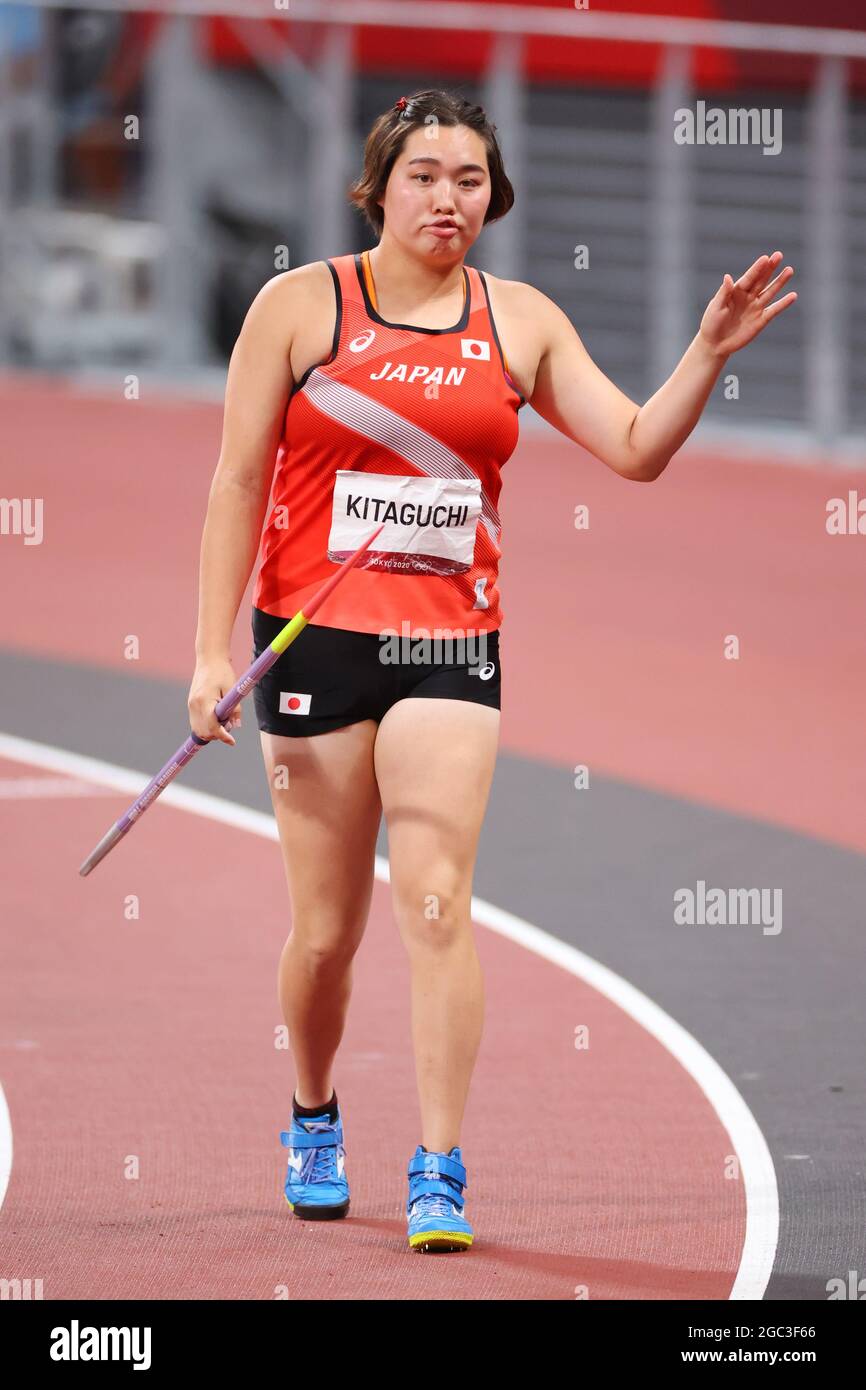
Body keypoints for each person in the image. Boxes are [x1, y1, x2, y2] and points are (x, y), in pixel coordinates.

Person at [187, 88, 796, 1254]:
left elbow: (630, 451)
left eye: (468, 180)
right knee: (325, 931)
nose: (446, 199)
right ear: (378, 185)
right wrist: (209, 649)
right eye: (423, 175)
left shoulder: (517, 322)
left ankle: (437, 1166)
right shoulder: (299, 306)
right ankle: (312, 1115)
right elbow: (234, 483)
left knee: (435, 900)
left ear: (492, 195)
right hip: (308, 641)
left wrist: (702, 355)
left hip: (447, 647)